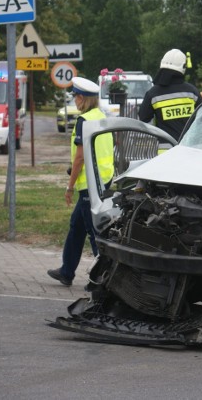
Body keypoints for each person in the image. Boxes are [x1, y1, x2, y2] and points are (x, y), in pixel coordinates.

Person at [47, 77, 114, 286]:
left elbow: (80, 157)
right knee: (77, 226)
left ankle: (102, 280)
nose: (74, 100)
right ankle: (67, 272)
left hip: (89, 186)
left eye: (75, 96)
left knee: (95, 234)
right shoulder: (101, 117)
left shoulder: (84, 121)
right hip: (105, 181)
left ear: (82, 98)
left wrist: (70, 186)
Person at [138, 49, 202, 148]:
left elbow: (143, 118)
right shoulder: (192, 92)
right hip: (189, 149)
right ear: (183, 67)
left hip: (165, 152)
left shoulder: (153, 94)